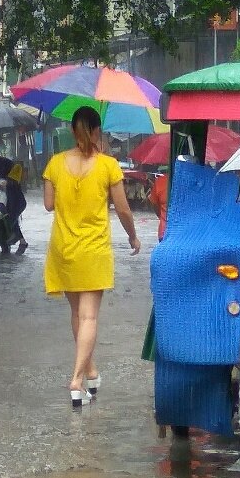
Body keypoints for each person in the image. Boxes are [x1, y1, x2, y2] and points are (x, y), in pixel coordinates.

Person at [42, 105, 140, 406]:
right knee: (89, 316)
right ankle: (76, 380)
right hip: (94, 248)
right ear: (98, 132)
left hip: (63, 248)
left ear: (72, 131)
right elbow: (123, 209)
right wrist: (133, 236)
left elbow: (48, 204)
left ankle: (92, 370)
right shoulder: (109, 165)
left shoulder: (55, 164)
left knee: (77, 314)